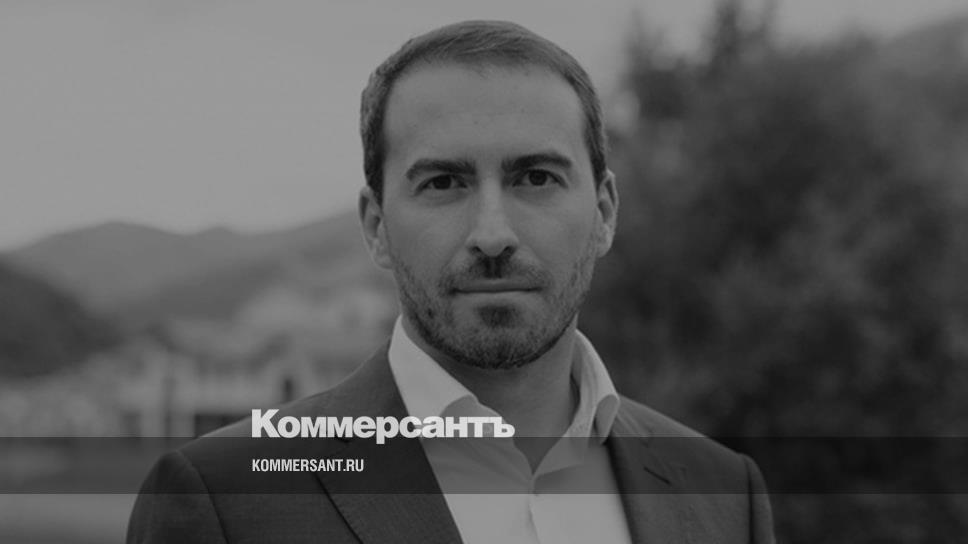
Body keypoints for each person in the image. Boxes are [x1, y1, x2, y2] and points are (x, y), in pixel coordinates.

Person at [127, 20, 775, 544]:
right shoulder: (226, 499)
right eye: (443, 183)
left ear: (604, 213)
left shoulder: (724, 493)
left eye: (536, 178)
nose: (492, 234)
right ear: (377, 225)